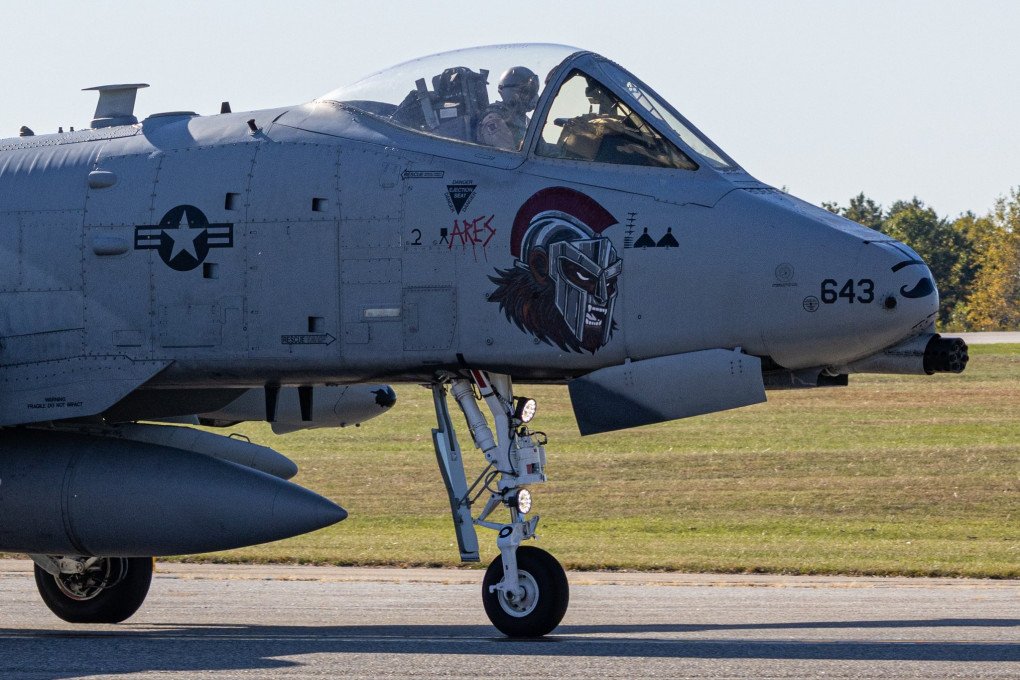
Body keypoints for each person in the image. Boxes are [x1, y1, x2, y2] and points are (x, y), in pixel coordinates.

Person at [476, 66, 539, 150]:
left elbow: (542, 150)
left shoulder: (524, 121)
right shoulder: (494, 121)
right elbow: (509, 154)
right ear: (510, 92)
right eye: (526, 92)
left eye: (532, 92)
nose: (530, 97)